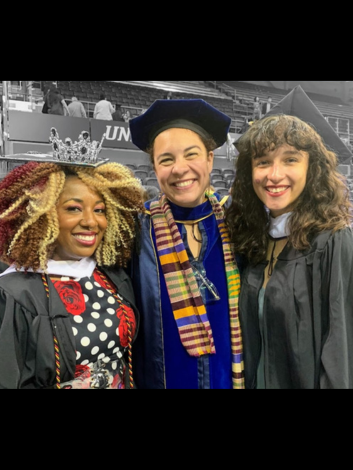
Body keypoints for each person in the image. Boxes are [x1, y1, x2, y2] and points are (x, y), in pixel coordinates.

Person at [0, 129, 145, 389]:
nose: (91, 222)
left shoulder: (112, 277)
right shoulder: (15, 293)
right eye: (73, 208)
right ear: (44, 215)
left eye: (99, 210)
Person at [225, 114, 353, 389]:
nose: (274, 175)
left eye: (290, 159)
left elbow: (339, 348)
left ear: (312, 168)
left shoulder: (332, 241)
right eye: (262, 162)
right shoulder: (251, 240)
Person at [129, 98, 245, 389]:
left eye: (191, 155)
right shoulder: (135, 230)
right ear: (155, 168)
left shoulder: (239, 223)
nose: (179, 169)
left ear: (209, 159)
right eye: (166, 159)